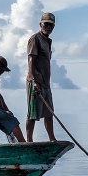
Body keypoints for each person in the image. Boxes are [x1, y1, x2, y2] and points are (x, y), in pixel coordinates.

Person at [25, 12, 58, 142]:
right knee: (33, 113)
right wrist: (33, 81)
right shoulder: (35, 39)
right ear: (41, 24)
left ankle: (52, 139)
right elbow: (31, 60)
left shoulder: (48, 41)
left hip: (46, 84)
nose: (49, 27)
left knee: (49, 113)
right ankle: (29, 141)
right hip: (35, 82)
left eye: (51, 25)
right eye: (46, 24)